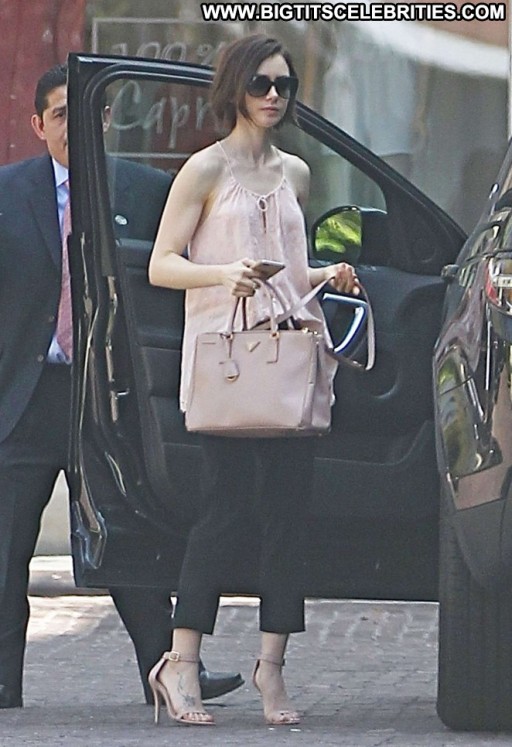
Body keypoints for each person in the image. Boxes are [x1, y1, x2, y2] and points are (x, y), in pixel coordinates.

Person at [0, 63, 243, 709]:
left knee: (130, 537)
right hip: (26, 396)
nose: (73, 128)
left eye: (85, 115)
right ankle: (2, 684)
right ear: (38, 125)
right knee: (5, 547)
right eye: (60, 116)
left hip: (107, 396)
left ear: (104, 119)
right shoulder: (7, 192)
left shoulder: (146, 190)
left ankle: (170, 671)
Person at [147, 34, 360, 726]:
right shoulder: (205, 169)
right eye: (261, 83)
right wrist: (223, 273)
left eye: (284, 85)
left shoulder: (295, 173)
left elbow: (288, 272)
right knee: (224, 511)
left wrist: (327, 274)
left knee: (287, 518)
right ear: (235, 88)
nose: (273, 95)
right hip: (231, 364)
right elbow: (160, 264)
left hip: (289, 362)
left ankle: (273, 668)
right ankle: (181, 662)